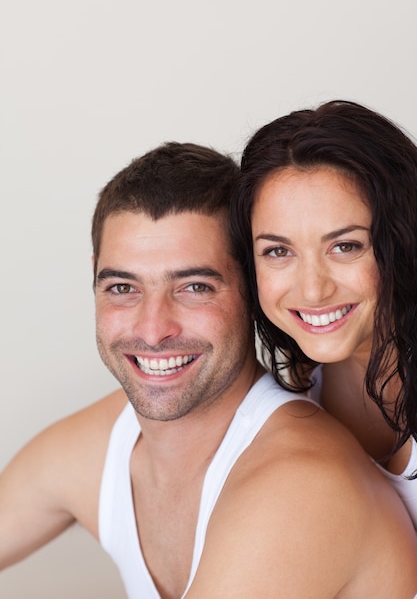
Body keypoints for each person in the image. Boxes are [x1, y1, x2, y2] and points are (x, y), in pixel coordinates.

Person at [1, 141, 417, 599]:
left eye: (195, 286)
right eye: (122, 287)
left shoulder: (303, 486)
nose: (153, 329)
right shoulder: (103, 443)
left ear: (252, 294)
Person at [231, 99, 417, 529]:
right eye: (278, 251)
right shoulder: (277, 403)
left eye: (345, 246)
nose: (313, 289)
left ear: (404, 242)